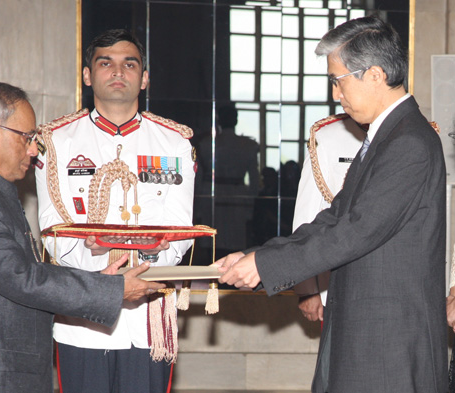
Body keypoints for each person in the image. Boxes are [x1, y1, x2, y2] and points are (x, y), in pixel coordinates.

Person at [216, 16, 447, 392]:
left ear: (374, 75)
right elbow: (335, 219)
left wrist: (265, 265)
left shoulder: (409, 142)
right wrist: (254, 256)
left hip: (389, 346)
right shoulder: (387, 136)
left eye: (338, 81)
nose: (336, 95)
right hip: (365, 335)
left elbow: (355, 231)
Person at [0, 82, 164, 393]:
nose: (33, 150)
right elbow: (21, 278)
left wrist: (101, 280)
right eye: (27, 138)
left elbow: (21, 279)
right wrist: (111, 291)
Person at [35, 29, 195, 392]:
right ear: (88, 75)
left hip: (148, 318)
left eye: (129, 64)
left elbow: (180, 226)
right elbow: (51, 228)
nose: (118, 72)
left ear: (144, 77)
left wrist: (156, 248)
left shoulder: (174, 142)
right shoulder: (57, 141)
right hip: (84, 320)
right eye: (106, 63)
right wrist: (94, 249)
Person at [293, 114, 366, 322]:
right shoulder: (328, 137)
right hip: (339, 284)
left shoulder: (414, 133)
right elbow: (306, 219)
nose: (338, 95)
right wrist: (307, 289)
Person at [196, 104, 259, 256]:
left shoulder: (206, 144)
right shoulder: (247, 145)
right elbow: (255, 181)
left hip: (216, 194)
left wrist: (198, 206)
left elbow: (198, 180)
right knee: (228, 242)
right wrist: (250, 206)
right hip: (232, 195)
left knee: (214, 245)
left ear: (219, 120)